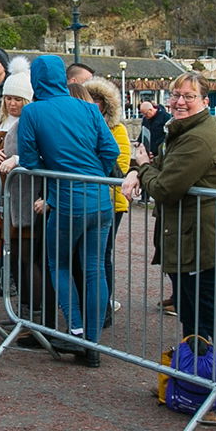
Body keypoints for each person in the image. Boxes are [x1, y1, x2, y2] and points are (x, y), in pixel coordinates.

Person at [127, 72, 216, 409]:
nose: (179, 101)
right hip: (185, 236)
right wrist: (140, 170)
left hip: (199, 239)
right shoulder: (182, 132)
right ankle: (197, 378)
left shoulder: (198, 137)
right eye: (176, 94)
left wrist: (142, 166)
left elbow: (165, 186)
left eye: (189, 96)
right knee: (192, 316)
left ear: (205, 102)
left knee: (212, 316)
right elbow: (163, 166)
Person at [18, 55, 118, 366]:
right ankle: (93, 341)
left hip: (66, 199)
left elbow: (29, 160)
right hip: (101, 199)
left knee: (59, 265)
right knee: (94, 269)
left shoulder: (33, 111)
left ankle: (74, 329)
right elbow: (110, 151)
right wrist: (92, 175)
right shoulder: (89, 108)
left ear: (36, 80)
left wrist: (55, 170)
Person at [0, 65, 51, 339]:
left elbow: (42, 156)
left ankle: (33, 314)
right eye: (9, 97)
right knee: (10, 255)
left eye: (18, 99)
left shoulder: (30, 122)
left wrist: (17, 160)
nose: (12, 102)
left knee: (25, 256)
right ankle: (20, 311)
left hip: (24, 197)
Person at [79, 78, 132, 322]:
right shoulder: (81, 126)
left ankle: (105, 309)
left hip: (111, 201)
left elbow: (120, 166)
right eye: (90, 99)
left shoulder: (117, 130)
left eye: (98, 100)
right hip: (87, 197)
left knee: (101, 256)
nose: (93, 104)